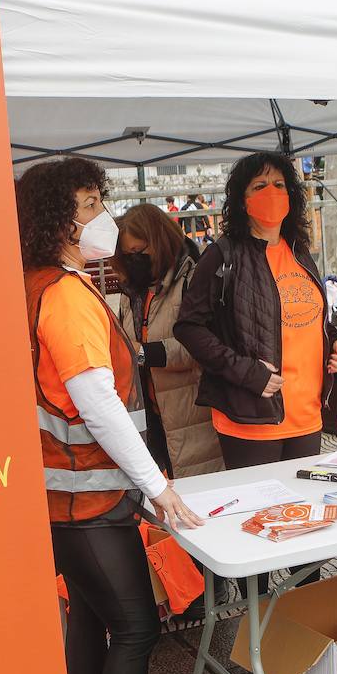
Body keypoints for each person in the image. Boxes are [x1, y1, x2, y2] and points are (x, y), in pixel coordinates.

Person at [16, 156, 203, 674]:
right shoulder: (65, 296)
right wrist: (159, 486)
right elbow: (97, 402)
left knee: (94, 624)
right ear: (58, 220)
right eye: (91, 204)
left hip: (71, 496)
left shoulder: (41, 281)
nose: (106, 218)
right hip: (86, 500)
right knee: (136, 625)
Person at [175, 152, 337, 594]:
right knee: (261, 528)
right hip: (252, 416)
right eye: (259, 186)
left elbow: (311, 318)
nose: (271, 194)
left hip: (306, 412)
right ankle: (259, 625)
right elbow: (189, 328)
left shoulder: (300, 252)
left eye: (278, 184)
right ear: (240, 199)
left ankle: (300, 617)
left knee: (308, 525)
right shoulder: (224, 255)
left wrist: (336, 344)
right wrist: (245, 372)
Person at [114, 204, 224, 479]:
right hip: (152, 419)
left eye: (139, 253)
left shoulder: (192, 280)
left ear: (160, 242)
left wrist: (143, 353)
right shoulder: (132, 292)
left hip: (193, 417)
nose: (133, 260)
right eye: (127, 255)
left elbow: (205, 346)